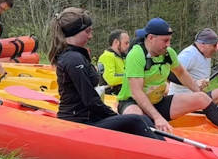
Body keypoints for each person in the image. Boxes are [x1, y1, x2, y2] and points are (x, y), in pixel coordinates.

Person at [48, 9, 162, 140]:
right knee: (136, 120)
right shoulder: (73, 59)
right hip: (78, 121)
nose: (90, 36)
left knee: (141, 119)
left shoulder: (76, 55)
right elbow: (90, 100)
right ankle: (164, 152)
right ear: (75, 32)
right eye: (87, 31)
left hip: (88, 117)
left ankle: (164, 145)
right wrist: (115, 116)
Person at [117, 18, 218, 133]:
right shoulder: (136, 55)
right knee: (136, 118)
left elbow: (181, 73)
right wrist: (157, 117)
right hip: (133, 103)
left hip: (158, 102)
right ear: (151, 38)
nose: (168, 44)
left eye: (169, 40)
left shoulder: (168, 53)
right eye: (165, 41)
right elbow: (137, 93)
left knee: (203, 98)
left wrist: (197, 91)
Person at [167, 28, 218, 114]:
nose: (216, 49)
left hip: (196, 98)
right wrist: (194, 82)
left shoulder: (205, 54)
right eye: (214, 45)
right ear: (203, 44)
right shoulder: (189, 54)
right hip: (181, 102)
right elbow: (169, 74)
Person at [97, 30, 130, 94]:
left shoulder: (121, 57)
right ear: (116, 42)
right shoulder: (107, 56)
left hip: (120, 94)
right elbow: (111, 79)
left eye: (129, 43)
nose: (128, 46)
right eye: (126, 43)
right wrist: (131, 77)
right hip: (110, 97)